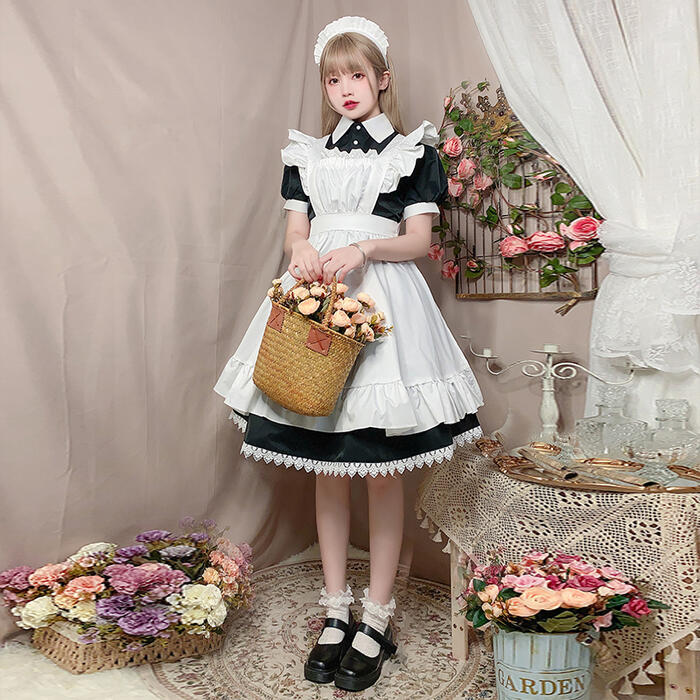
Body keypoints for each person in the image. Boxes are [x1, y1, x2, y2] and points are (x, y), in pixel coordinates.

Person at [213, 15, 484, 692]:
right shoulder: (308, 154)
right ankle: (336, 612)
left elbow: (418, 242)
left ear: (382, 79)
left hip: (385, 302)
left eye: (356, 75)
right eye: (333, 79)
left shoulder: (412, 151)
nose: (345, 88)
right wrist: (303, 247)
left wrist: (364, 247)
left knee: (382, 471)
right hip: (315, 300)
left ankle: (377, 617)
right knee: (326, 470)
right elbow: (295, 231)